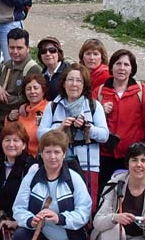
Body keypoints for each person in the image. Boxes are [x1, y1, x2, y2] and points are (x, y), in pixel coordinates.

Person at [11, 129, 92, 240]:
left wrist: (59, 218)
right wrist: (30, 220)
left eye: (57, 152)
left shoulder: (74, 178)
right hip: (41, 235)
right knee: (19, 237)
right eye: (48, 152)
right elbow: (18, 207)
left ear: (64, 153)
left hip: (67, 239)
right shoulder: (33, 176)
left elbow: (84, 212)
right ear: (41, 153)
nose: (52, 157)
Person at [38, 64, 110, 201]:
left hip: (88, 164)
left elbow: (104, 135)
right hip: (57, 164)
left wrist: (86, 128)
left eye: (79, 81)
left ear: (84, 85)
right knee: (60, 202)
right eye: (70, 80)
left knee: (87, 203)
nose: (74, 84)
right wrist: (60, 128)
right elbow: (40, 134)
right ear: (64, 83)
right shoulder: (53, 106)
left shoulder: (93, 106)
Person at [0, 27, 42, 170]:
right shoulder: (4, 66)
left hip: (17, 125)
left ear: (27, 48)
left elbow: (28, 99)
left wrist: (3, 99)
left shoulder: (33, 69)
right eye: (11, 47)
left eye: (19, 48)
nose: (15, 52)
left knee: (11, 166)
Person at [97, 49, 145, 179]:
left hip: (133, 155)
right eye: (118, 64)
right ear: (111, 67)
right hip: (104, 154)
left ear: (132, 69)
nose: (122, 68)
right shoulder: (100, 91)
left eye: (126, 64)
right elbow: (91, 122)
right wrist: (100, 111)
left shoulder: (141, 91)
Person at [15, 73, 48, 157]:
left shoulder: (50, 110)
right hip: (21, 159)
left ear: (43, 90)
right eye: (28, 89)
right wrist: (9, 118)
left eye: (36, 88)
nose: (32, 92)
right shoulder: (22, 112)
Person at [37, 36, 68, 101]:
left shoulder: (68, 72)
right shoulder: (42, 75)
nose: (48, 54)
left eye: (52, 50)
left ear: (59, 53)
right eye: (43, 51)